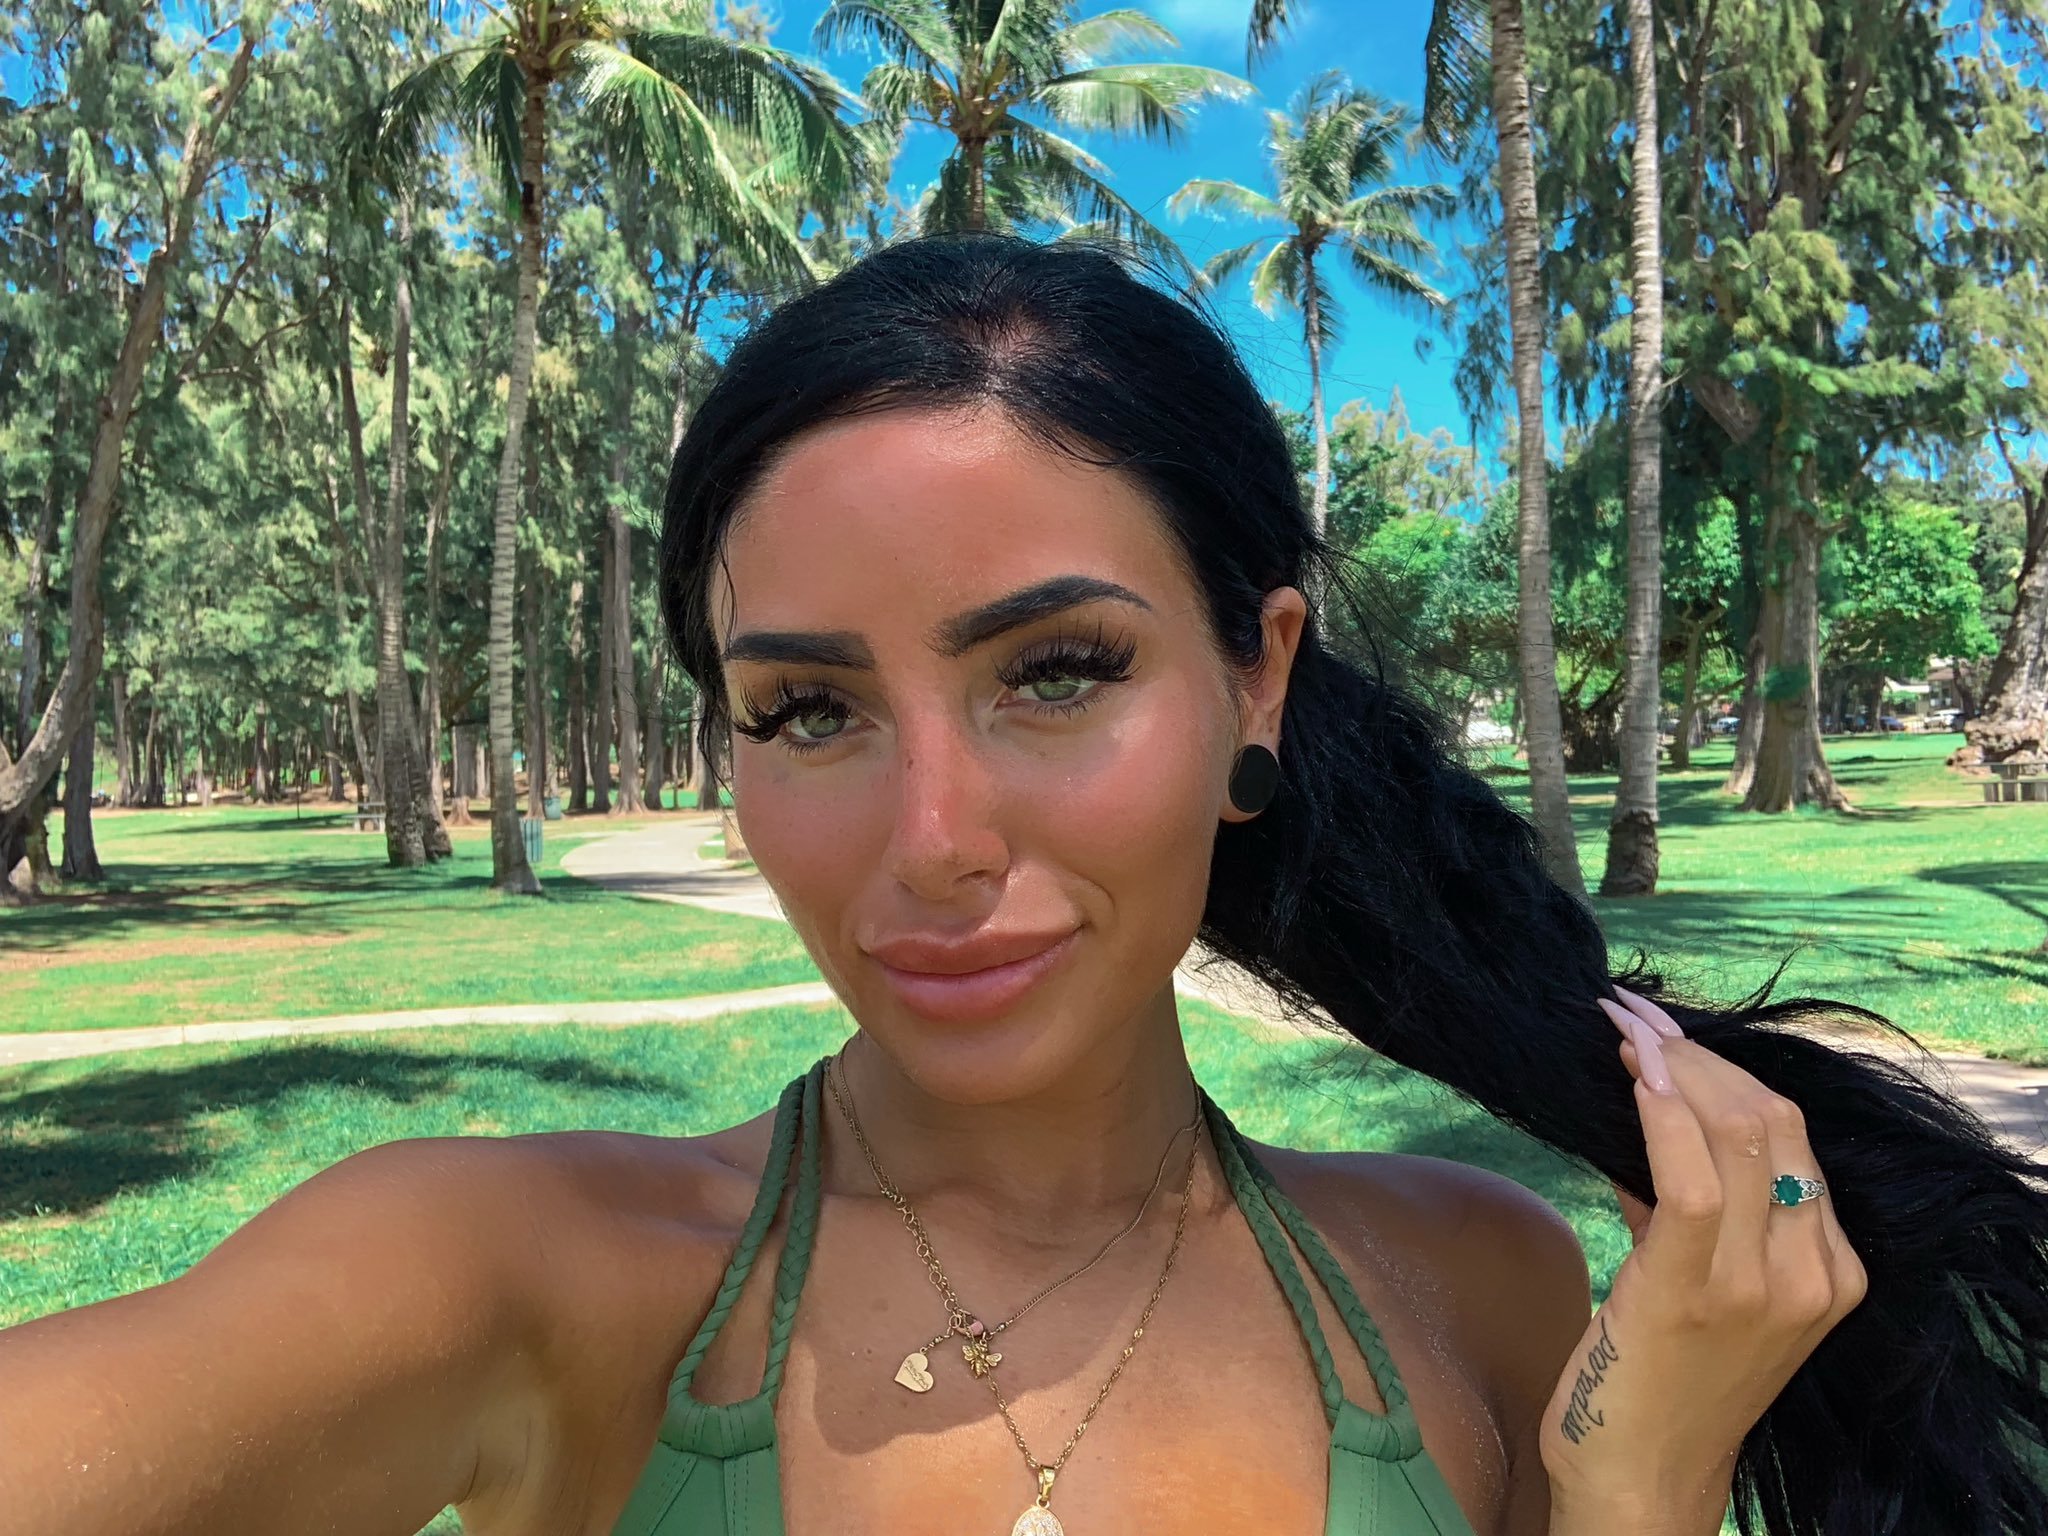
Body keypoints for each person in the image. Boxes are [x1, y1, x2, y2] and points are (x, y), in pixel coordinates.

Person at [3, 234, 2045, 1536]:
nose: (932, 838)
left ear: (1255, 677)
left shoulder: (1481, 1291)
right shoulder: (521, 1277)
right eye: (809, 710)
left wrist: (1638, 1486)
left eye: (1055, 671)